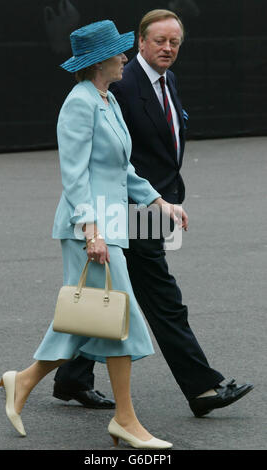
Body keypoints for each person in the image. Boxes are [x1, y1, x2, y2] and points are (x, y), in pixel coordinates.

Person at [0, 20, 186, 449]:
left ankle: (22, 381)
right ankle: (125, 419)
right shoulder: (79, 103)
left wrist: (161, 203)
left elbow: (123, 170)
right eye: (118, 53)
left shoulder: (107, 100)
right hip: (89, 230)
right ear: (101, 61)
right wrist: (92, 230)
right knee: (118, 316)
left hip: (112, 225)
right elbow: (75, 174)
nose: (124, 58)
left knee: (88, 320)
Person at [54, 10, 253, 418]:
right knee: (162, 298)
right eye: (159, 41)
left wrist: (163, 199)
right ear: (141, 42)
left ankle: (72, 376)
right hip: (122, 212)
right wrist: (98, 223)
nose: (168, 48)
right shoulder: (116, 87)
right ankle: (202, 388)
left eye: (175, 42)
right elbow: (96, 165)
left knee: (101, 296)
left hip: (148, 204)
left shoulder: (166, 80)